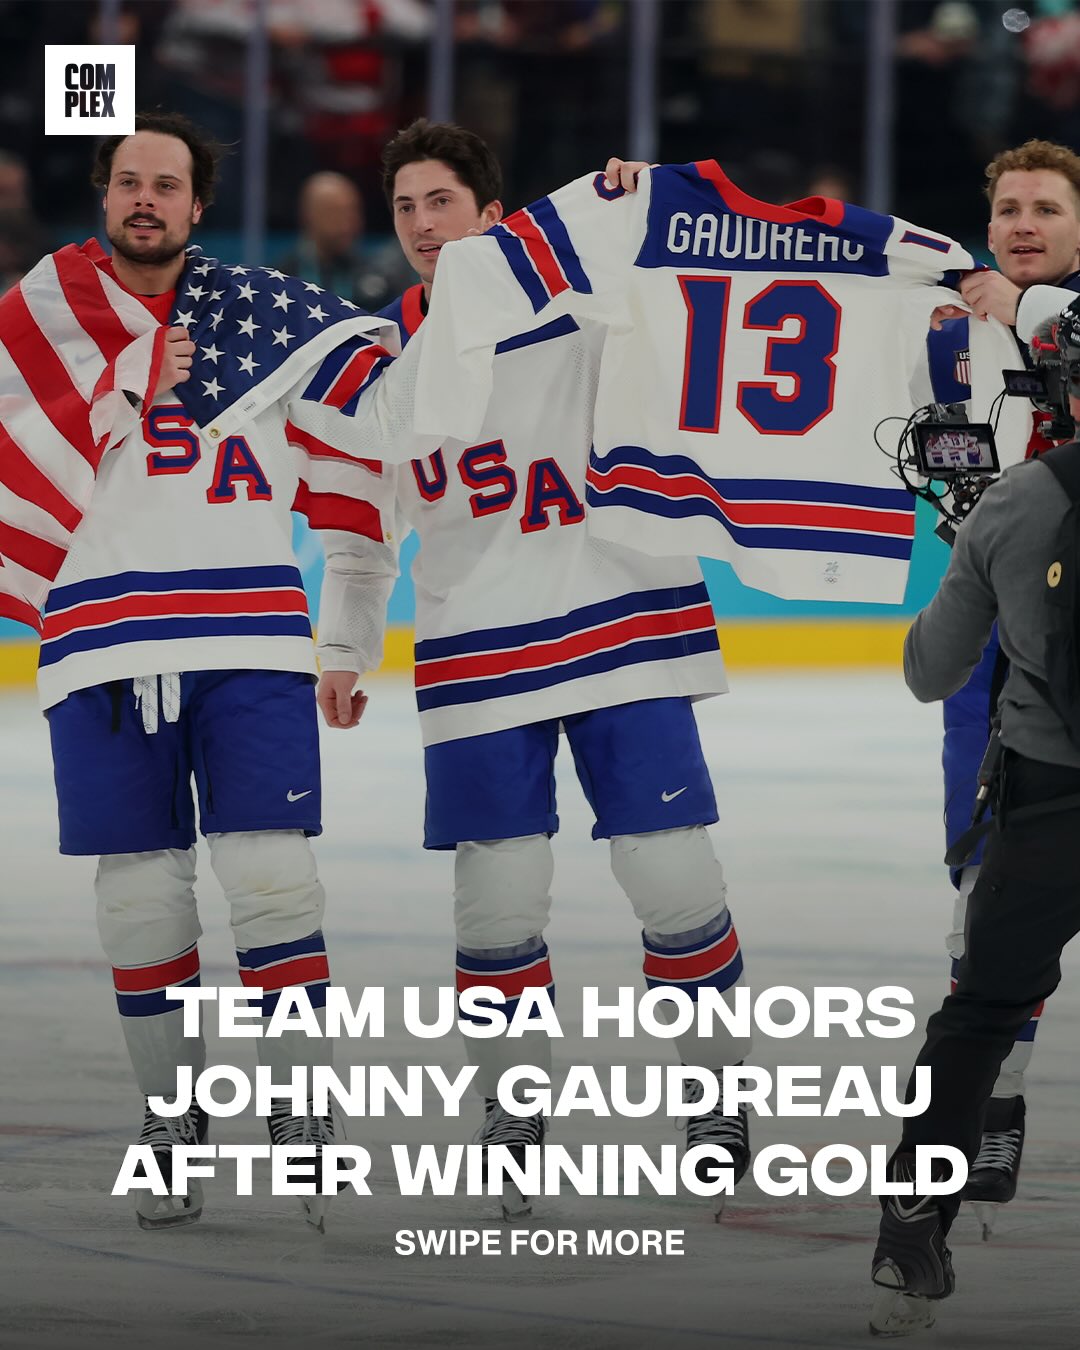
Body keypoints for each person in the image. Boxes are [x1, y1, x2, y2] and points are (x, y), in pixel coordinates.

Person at [315, 120, 753, 1218]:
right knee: (495, 902)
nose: (423, 225)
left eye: (442, 202)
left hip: (621, 620)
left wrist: (654, 205)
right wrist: (344, 645)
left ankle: (716, 1095)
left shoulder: (592, 306)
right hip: (475, 647)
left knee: (672, 875)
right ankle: (513, 1114)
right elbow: (360, 533)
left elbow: (705, 296)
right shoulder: (377, 363)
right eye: (405, 206)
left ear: (495, 216)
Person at [0, 111, 408, 1232]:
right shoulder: (43, 312)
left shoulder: (270, 318)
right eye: (128, 180)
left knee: (275, 879)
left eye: (167, 184)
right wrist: (123, 377)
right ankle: (171, 1119)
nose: (147, 199)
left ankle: (301, 1112)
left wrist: (345, 638)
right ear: (103, 194)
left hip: (249, 638)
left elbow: (359, 458)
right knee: (140, 901)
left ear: (198, 204)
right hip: (103, 641)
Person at [868, 297, 1080, 1337]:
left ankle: (911, 1229)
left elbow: (930, 672)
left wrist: (973, 540)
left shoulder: (1019, 498)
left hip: (1050, 804)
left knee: (981, 1014)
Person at [925, 139, 1080, 1233]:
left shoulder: (1039, 312)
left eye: (1047, 208)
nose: (1024, 223)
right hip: (997, 641)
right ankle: (997, 1103)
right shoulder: (947, 331)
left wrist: (1024, 306)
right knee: (984, 900)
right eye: (1009, 208)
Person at [277, 170, 401, 313]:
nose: (348, 223)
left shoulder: (379, 279)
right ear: (308, 215)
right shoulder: (283, 280)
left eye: (353, 211)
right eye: (335, 212)